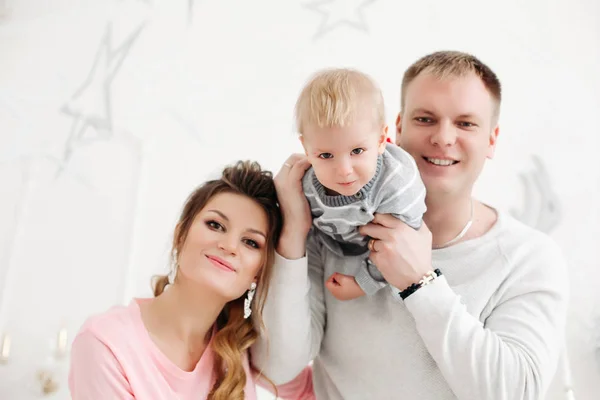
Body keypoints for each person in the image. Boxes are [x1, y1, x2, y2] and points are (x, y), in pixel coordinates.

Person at [251, 51, 569, 400]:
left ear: (491, 140)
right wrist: (294, 232)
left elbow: (516, 393)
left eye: (465, 123)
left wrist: (420, 283)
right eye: (425, 119)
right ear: (396, 131)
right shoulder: (331, 233)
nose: (444, 138)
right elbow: (276, 367)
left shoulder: (529, 259)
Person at [68, 161, 314, 400]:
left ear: (259, 272)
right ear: (180, 235)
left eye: (251, 242)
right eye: (215, 225)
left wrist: (295, 231)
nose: (228, 246)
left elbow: (320, 391)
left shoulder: (242, 344)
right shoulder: (106, 344)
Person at [295, 67, 427, 300]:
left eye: (357, 151)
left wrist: (362, 283)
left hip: (378, 259)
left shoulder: (396, 186)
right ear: (307, 149)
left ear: (380, 140)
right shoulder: (305, 184)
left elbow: (401, 250)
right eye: (326, 155)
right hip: (328, 247)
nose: (344, 171)